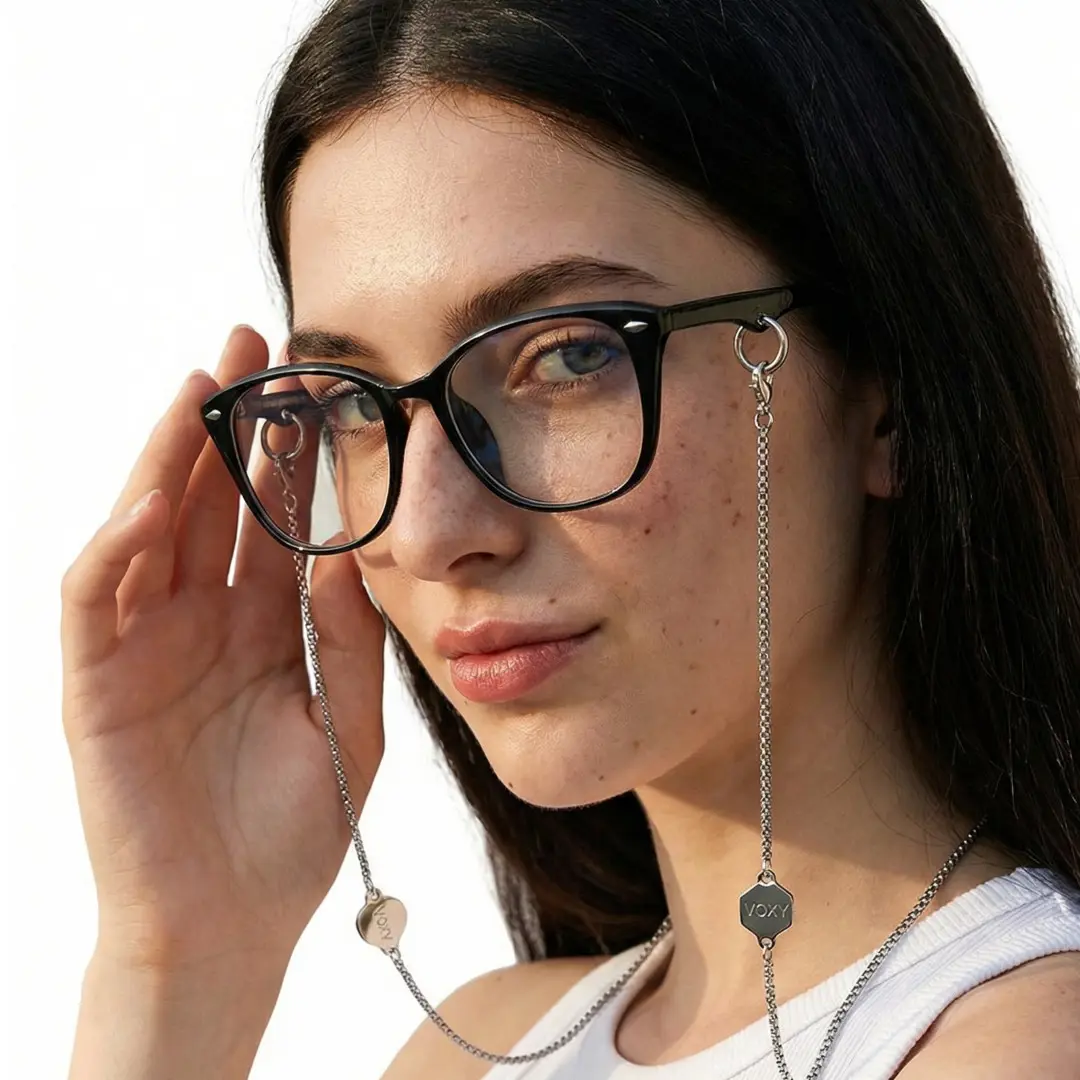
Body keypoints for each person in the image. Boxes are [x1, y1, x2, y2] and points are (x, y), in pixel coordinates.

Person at [60, 1, 1080, 1077]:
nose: (428, 530)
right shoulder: (481, 1047)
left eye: (570, 357)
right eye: (357, 402)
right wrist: (178, 962)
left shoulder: (1018, 1044)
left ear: (887, 389)